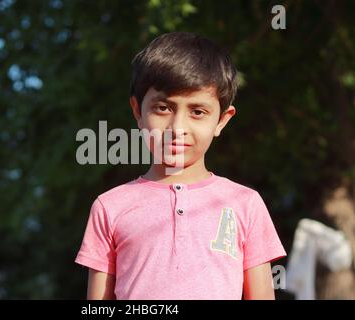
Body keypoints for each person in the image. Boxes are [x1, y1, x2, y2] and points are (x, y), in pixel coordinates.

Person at [75, 32, 286, 300]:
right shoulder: (109, 207)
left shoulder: (246, 204)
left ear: (222, 120)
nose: (178, 129)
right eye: (163, 108)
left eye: (198, 112)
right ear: (138, 111)